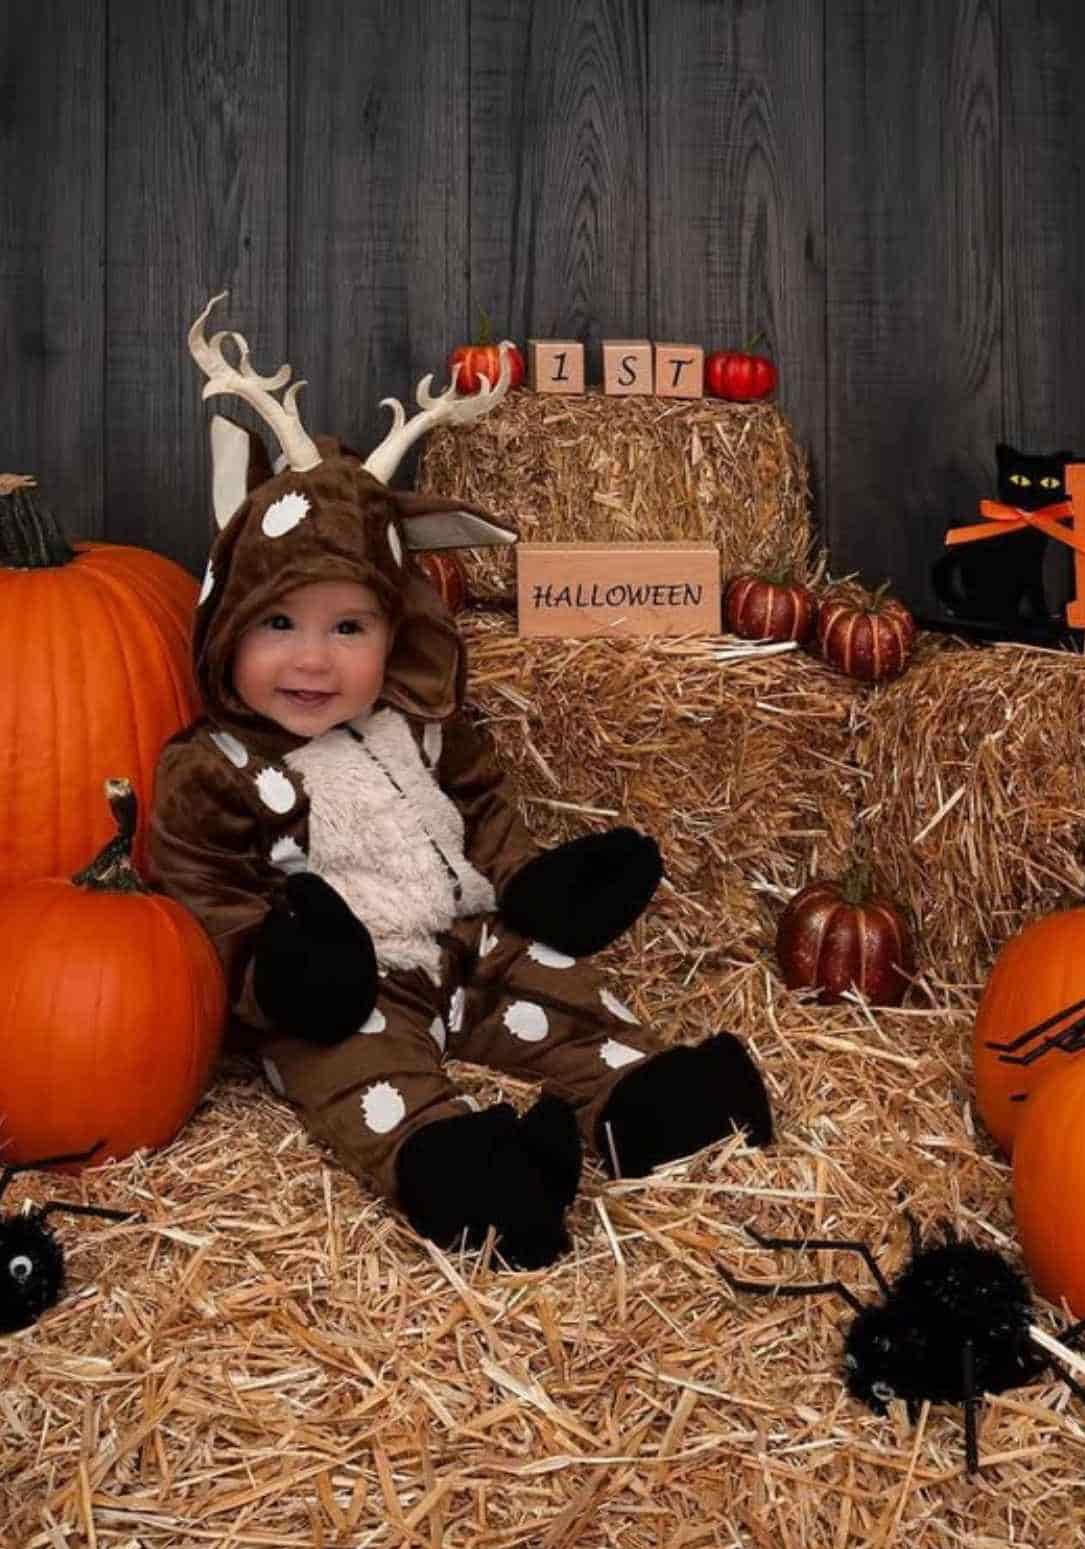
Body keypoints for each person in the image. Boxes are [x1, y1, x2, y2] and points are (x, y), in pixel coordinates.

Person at [149, 295, 773, 1268]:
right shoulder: (212, 770)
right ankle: (458, 1167)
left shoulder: (423, 728)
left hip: (465, 948)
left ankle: (638, 1100)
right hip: (339, 991)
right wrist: (283, 971)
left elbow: (482, 816)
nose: (313, 659)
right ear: (228, 626)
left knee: (560, 990)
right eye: (280, 625)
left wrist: (532, 886)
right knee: (362, 1072)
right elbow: (200, 906)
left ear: (395, 633)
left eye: (348, 628)